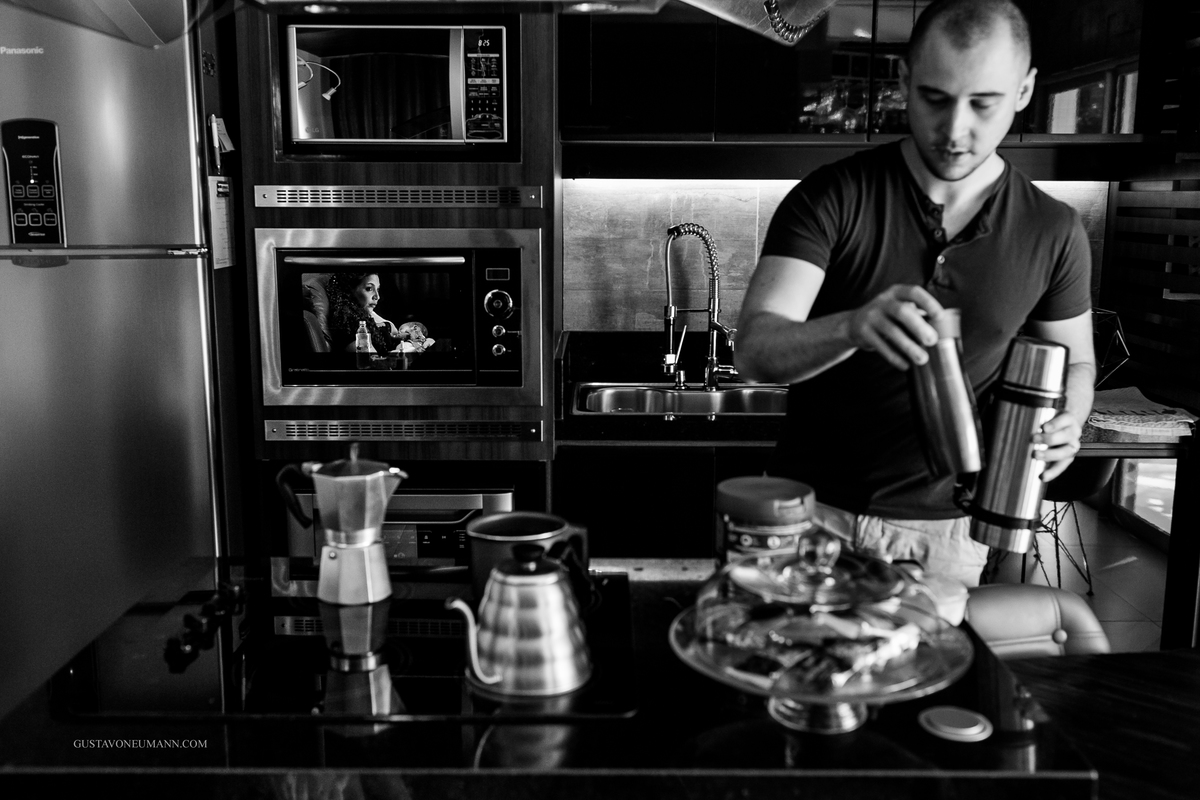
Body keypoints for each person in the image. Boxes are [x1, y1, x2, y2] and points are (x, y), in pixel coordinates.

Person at [734, 0, 1096, 587]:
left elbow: (1076, 359)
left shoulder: (1052, 229)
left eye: (984, 104)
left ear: (1025, 90)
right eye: (935, 98)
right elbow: (755, 349)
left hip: (944, 536)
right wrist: (852, 326)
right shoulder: (832, 197)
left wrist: (1070, 419)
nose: (956, 131)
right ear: (904, 80)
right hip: (805, 515)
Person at [326, 272, 431, 356]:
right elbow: (371, 365)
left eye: (378, 289)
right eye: (369, 289)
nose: (377, 296)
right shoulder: (349, 321)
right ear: (350, 291)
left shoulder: (364, 315)